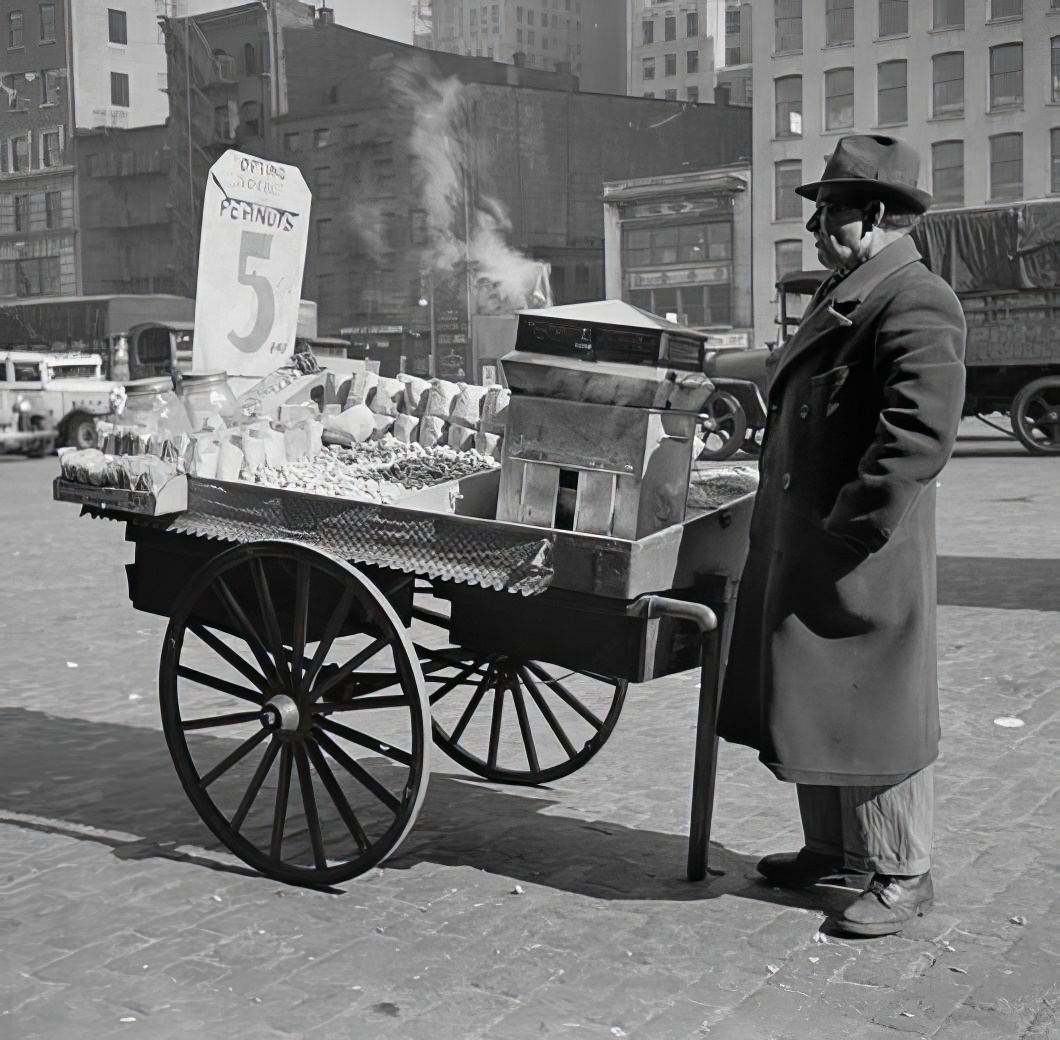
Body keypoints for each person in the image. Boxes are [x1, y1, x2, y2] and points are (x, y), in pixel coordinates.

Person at [717, 135, 967, 937]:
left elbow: (918, 435)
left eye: (829, 210)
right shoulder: (848, 288)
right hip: (812, 541)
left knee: (876, 712)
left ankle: (903, 872)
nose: (817, 225)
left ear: (878, 214)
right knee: (814, 700)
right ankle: (833, 852)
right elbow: (788, 370)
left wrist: (852, 527)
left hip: (861, 553)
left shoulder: (915, 297)